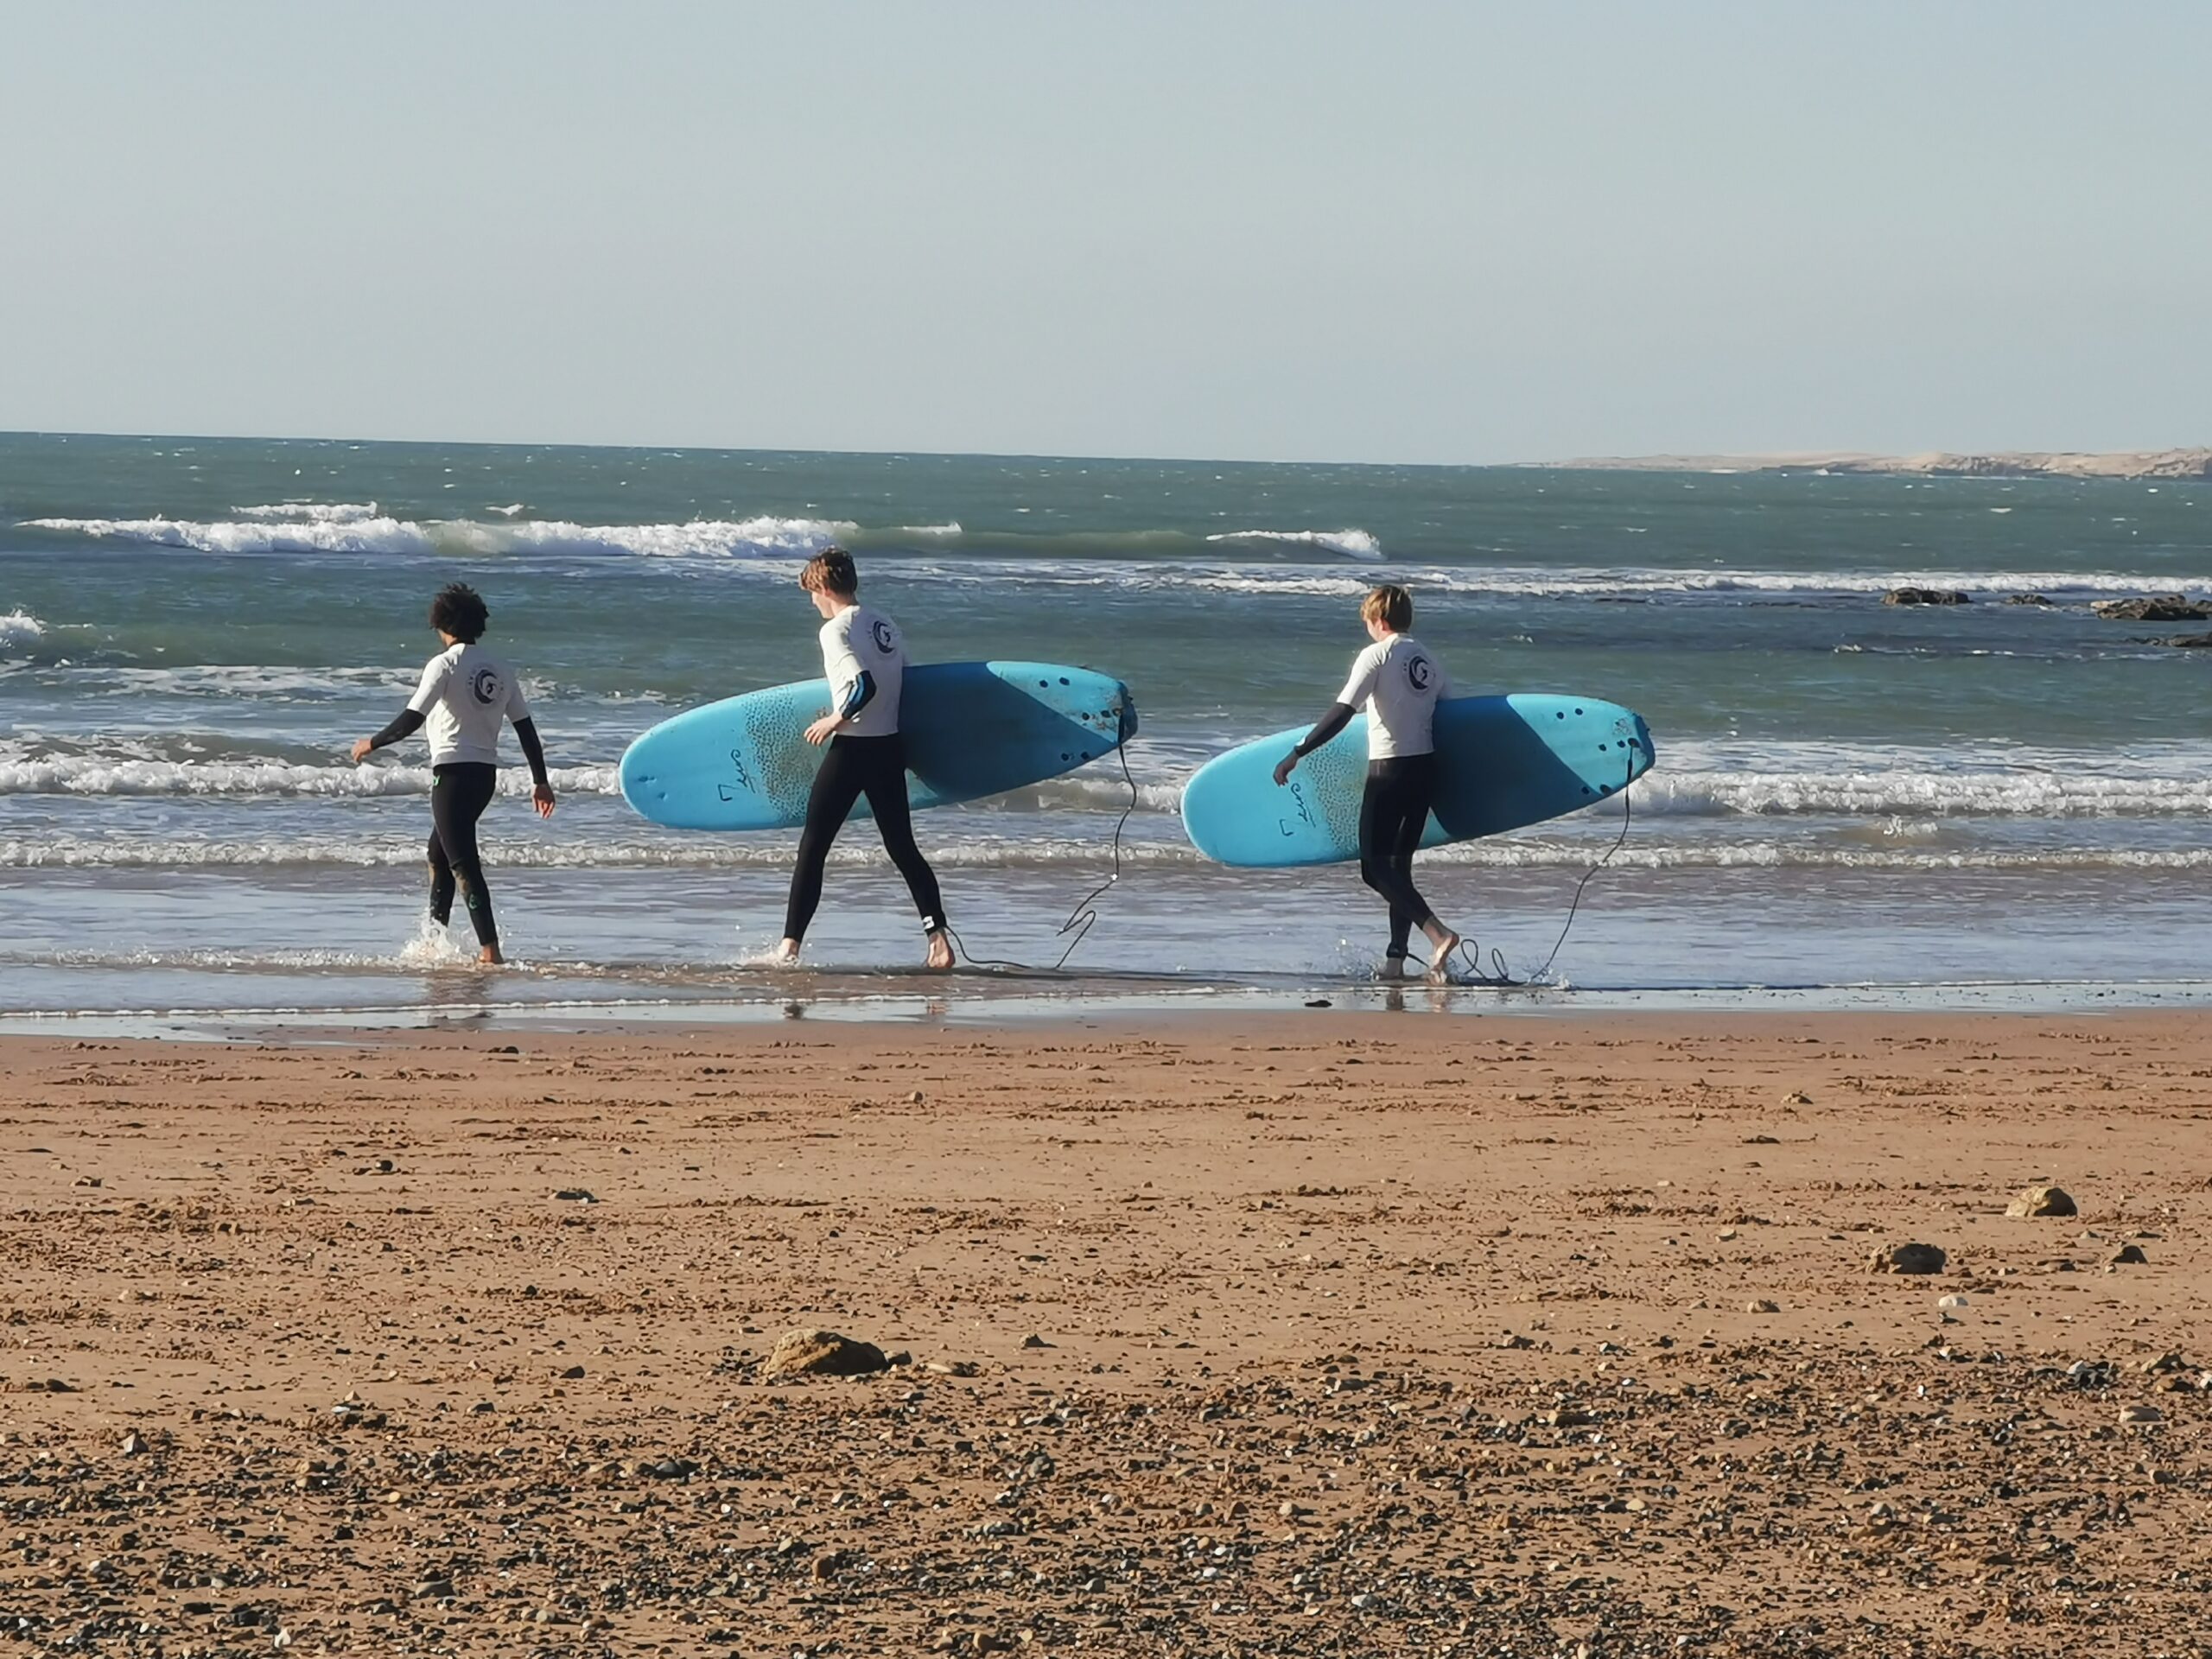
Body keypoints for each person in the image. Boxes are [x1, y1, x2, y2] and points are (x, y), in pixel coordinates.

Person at [350, 582, 554, 965]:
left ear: (442, 624)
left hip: (452, 775)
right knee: (439, 854)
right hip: (483, 778)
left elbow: (413, 717)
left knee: (462, 862)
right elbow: (526, 730)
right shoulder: (501, 669)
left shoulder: (444, 664)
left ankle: (490, 952)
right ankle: (435, 942)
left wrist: (372, 743)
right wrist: (540, 781)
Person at [1273, 583, 1462, 980]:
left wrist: (1299, 752)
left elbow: (1344, 710)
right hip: (1424, 771)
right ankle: (1395, 960)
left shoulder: (1376, 655)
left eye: (1368, 622)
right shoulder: (1428, 659)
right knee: (1399, 869)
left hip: (1389, 771)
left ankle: (1438, 934)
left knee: (1374, 869)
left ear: (1379, 620)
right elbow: (1451, 717)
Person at [777, 548, 953, 971]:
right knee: (902, 848)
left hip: (853, 751)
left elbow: (863, 686)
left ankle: (788, 949)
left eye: (812, 593)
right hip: (889, 747)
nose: (813, 603)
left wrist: (833, 721)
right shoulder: (883, 623)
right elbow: (909, 683)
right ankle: (939, 942)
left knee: (813, 847)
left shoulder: (834, 630)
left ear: (823, 587)